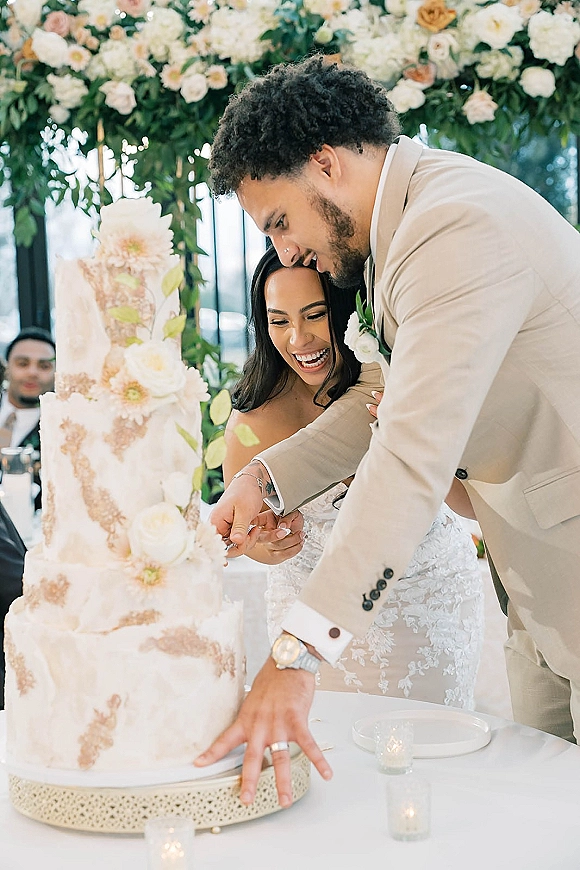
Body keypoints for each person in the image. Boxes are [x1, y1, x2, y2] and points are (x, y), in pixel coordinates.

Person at [196, 56, 580, 809]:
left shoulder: (453, 226)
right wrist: (263, 477)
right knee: (544, 817)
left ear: (326, 165)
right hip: (538, 590)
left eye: (280, 221)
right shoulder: (408, 226)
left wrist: (297, 650)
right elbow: (380, 395)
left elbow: (408, 458)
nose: (285, 253)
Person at [224, 247, 483, 704]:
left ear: (345, 310)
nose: (299, 339)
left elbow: (467, 501)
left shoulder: (399, 379)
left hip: (429, 600)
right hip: (311, 615)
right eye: (279, 320)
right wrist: (270, 545)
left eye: (315, 314)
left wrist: (419, 439)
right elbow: (250, 540)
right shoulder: (254, 422)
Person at [0, 327, 56, 509]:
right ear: (7, 367)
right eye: (23, 363)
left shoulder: (60, 428)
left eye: (44, 366)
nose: (32, 372)